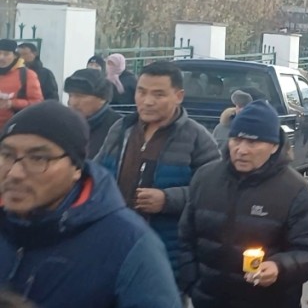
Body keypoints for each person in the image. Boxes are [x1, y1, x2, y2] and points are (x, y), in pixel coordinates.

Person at [0, 102, 181, 308]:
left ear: (76, 168)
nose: (14, 173)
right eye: (6, 155)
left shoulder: (128, 243)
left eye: (38, 158)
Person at [178, 100, 308, 308]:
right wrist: (193, 284)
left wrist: (278, 267)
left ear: (274, 146)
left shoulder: (294, 190)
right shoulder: (205, 178)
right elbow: (186, 237)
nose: (241, 150)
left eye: (253, 143)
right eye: (236, 140)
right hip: (209, 300)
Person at [95, 61, 221, 282]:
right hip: (114, 246)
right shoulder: (120, 130)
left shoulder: (197, 138)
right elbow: (97, 175)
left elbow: (216, 193)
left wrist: (168, 199)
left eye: (159, 94)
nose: (147, 101)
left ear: (178, 96)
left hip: (167, 254)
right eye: (141, 92)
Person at [63, 68, 121, 158]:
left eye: (80, 96)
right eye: (70, 95)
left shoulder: (118, 129)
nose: (72, 102)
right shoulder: (65, 124)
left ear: (102, 98)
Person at [0, 39, 42, 128]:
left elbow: (38, 103)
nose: (1, 57)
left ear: (15, 56)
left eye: (6, 54)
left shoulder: (27, 75)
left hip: (13, 129)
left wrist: (12, 103)